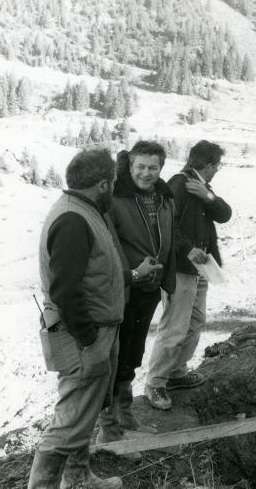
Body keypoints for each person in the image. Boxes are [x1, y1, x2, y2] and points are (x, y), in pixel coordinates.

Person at [28, 149, 160, 489]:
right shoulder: (74, 219)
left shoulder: (85, 212)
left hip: (95, 334)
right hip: (82, 337)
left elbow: (95, 273)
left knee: (85, 412)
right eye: (113, 183)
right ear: (103, 184)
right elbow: (65, 292)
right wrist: (89, 341)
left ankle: (78, 479)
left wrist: (130, 277)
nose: (115, 188)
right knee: (69, 422)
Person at [96, 141, 177, 444]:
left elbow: (170, 236)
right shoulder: (116, 198)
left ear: (160, 168)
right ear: (129, 167)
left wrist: (167, 280)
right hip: (125, 289)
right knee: (113, 358)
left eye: (152, 167)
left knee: (132, 355)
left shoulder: (164, 198)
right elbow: (108, 245)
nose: (146, 173)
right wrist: (131, 273)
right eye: (140, 166)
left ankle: (126, 415)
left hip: (149, 289)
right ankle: (109, 429)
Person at [145, 140, 232, 410]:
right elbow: (163, 225)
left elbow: (225, 214)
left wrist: (209, 198)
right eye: (217, 165)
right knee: (175, 325)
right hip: (182, 268)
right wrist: (188, 248)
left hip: (201, 265)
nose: (218, 169)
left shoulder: (200, 186)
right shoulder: (180, 185)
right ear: (207, 166)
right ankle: (156, 382)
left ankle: (176, 372)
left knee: (195, 321)